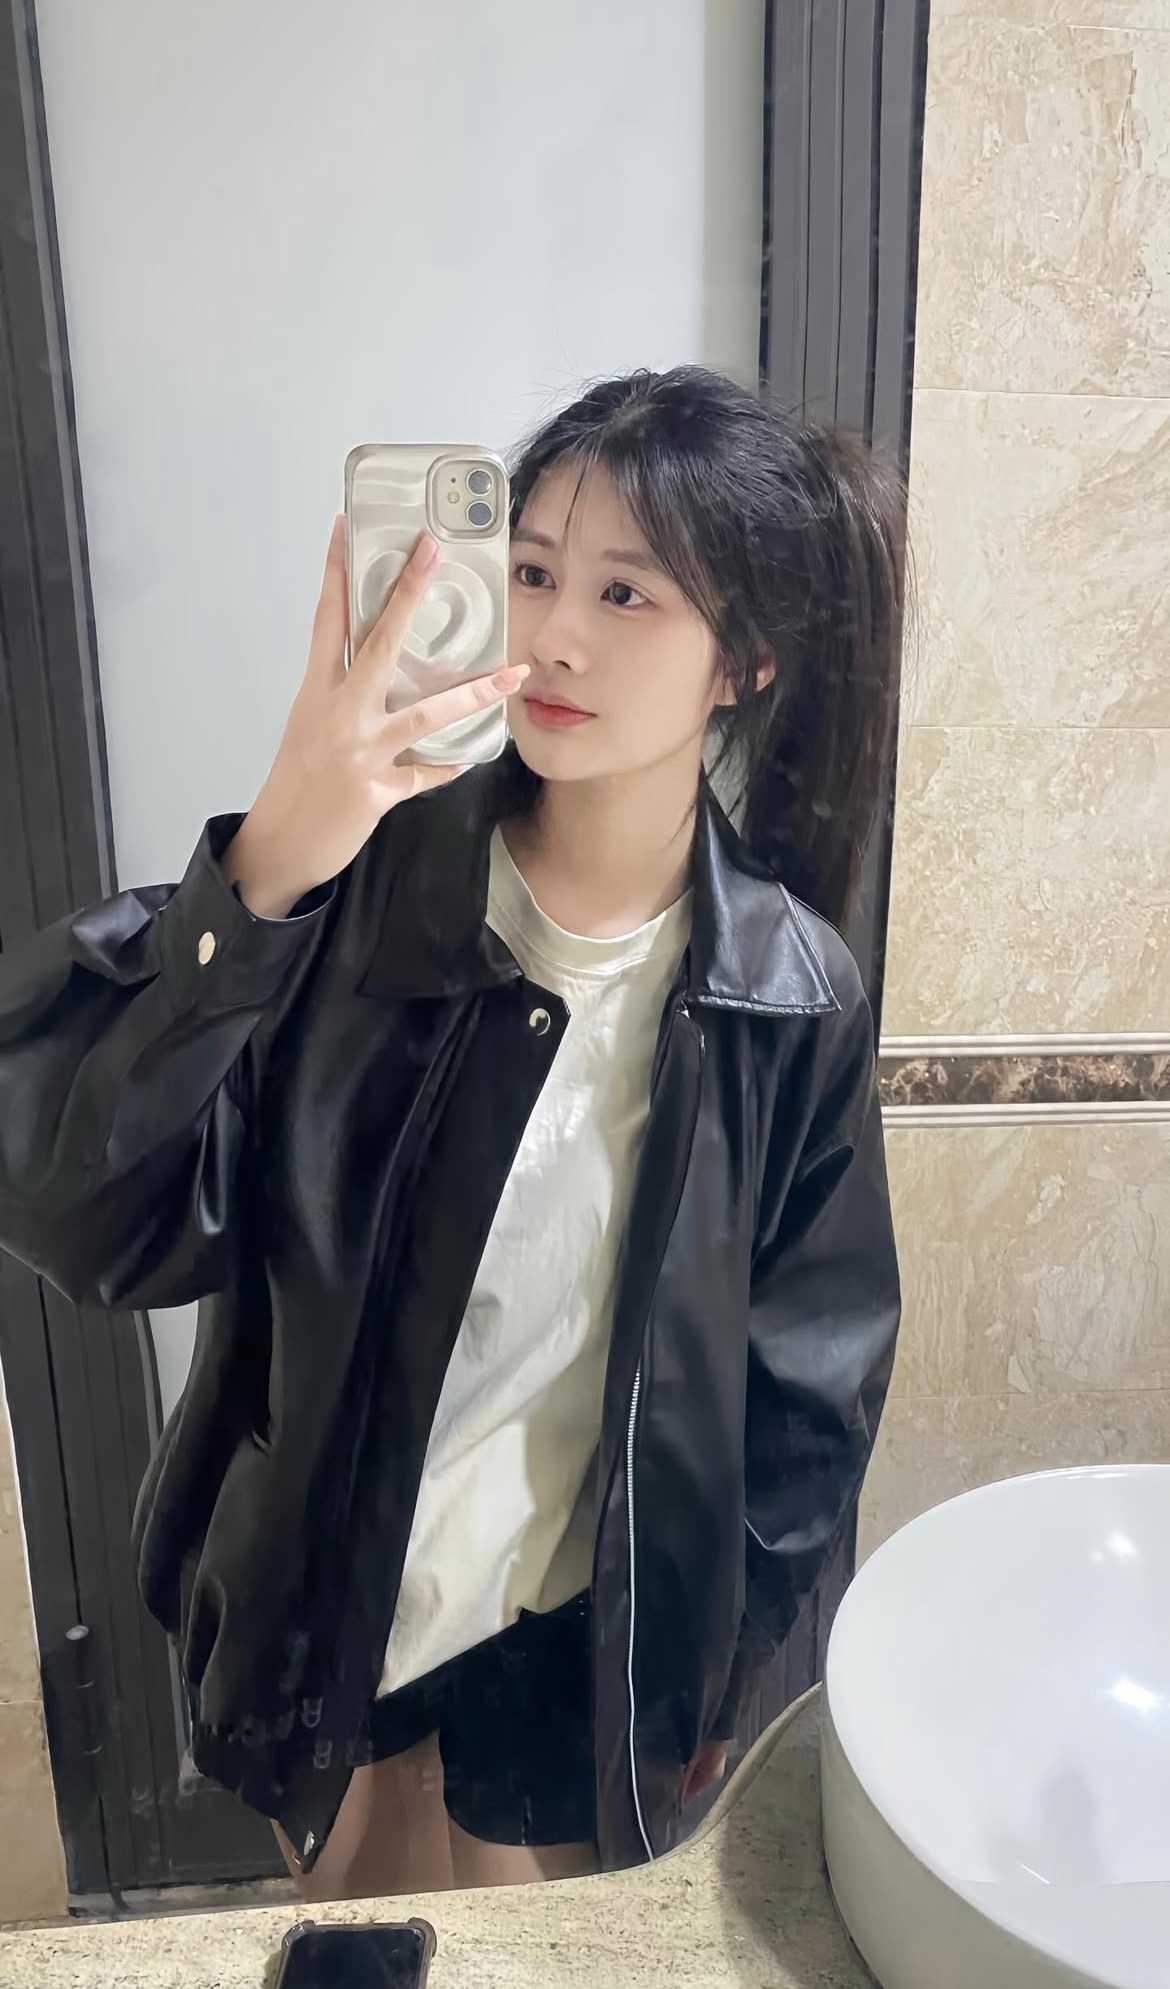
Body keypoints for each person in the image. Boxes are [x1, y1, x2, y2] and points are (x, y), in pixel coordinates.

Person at [0, 367, 902, 1900]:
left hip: (581, 1660)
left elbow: (806, 1405)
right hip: (334, 1623)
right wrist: (270, 858)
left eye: (626, 591)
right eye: (531, 569)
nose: (553, 634)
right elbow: (85, 1201)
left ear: (742, 661)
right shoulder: (363, 890)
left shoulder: (786, 996)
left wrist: (702, 1668)